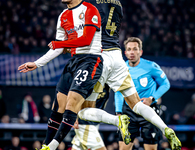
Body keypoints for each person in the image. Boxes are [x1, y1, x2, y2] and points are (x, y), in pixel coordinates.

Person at [19, 0, 181, 149]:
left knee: (81, 111)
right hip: (117, 56)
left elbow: (86, 37)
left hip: (98, 56)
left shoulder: (90, 5)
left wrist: (64, 44)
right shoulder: (117, 4)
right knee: (137, 104)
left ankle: (113, 122)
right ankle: (165, 128)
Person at [18, 0, 129, 149]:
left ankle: (50, 147)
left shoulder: (91, 10)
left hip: (90, 60)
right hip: (74, 61)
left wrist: (60, 44)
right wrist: (37, 63)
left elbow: (86, 40)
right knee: (58, 106)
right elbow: (57, 47)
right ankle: (46, 144)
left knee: (72, 103)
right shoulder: (63, 16)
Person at [114, 37, 170, 150]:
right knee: (123, 147)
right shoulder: (121, 69)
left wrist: (152, 98)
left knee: (150, 148)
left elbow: (165, 84)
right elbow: (119, 92)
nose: (132, 52)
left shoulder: (151, 66)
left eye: (135, 49)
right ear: (125, 52)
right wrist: (118, 112)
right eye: (129, 49)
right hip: (129, 110)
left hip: (149, 109)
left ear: (140, 52)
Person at [71, 84, 110, 150]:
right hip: (85, 123)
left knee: (78, 147)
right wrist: (73, 115)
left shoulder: (108, 82)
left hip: (94, 122)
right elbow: (75, 96)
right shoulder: (89, 79)